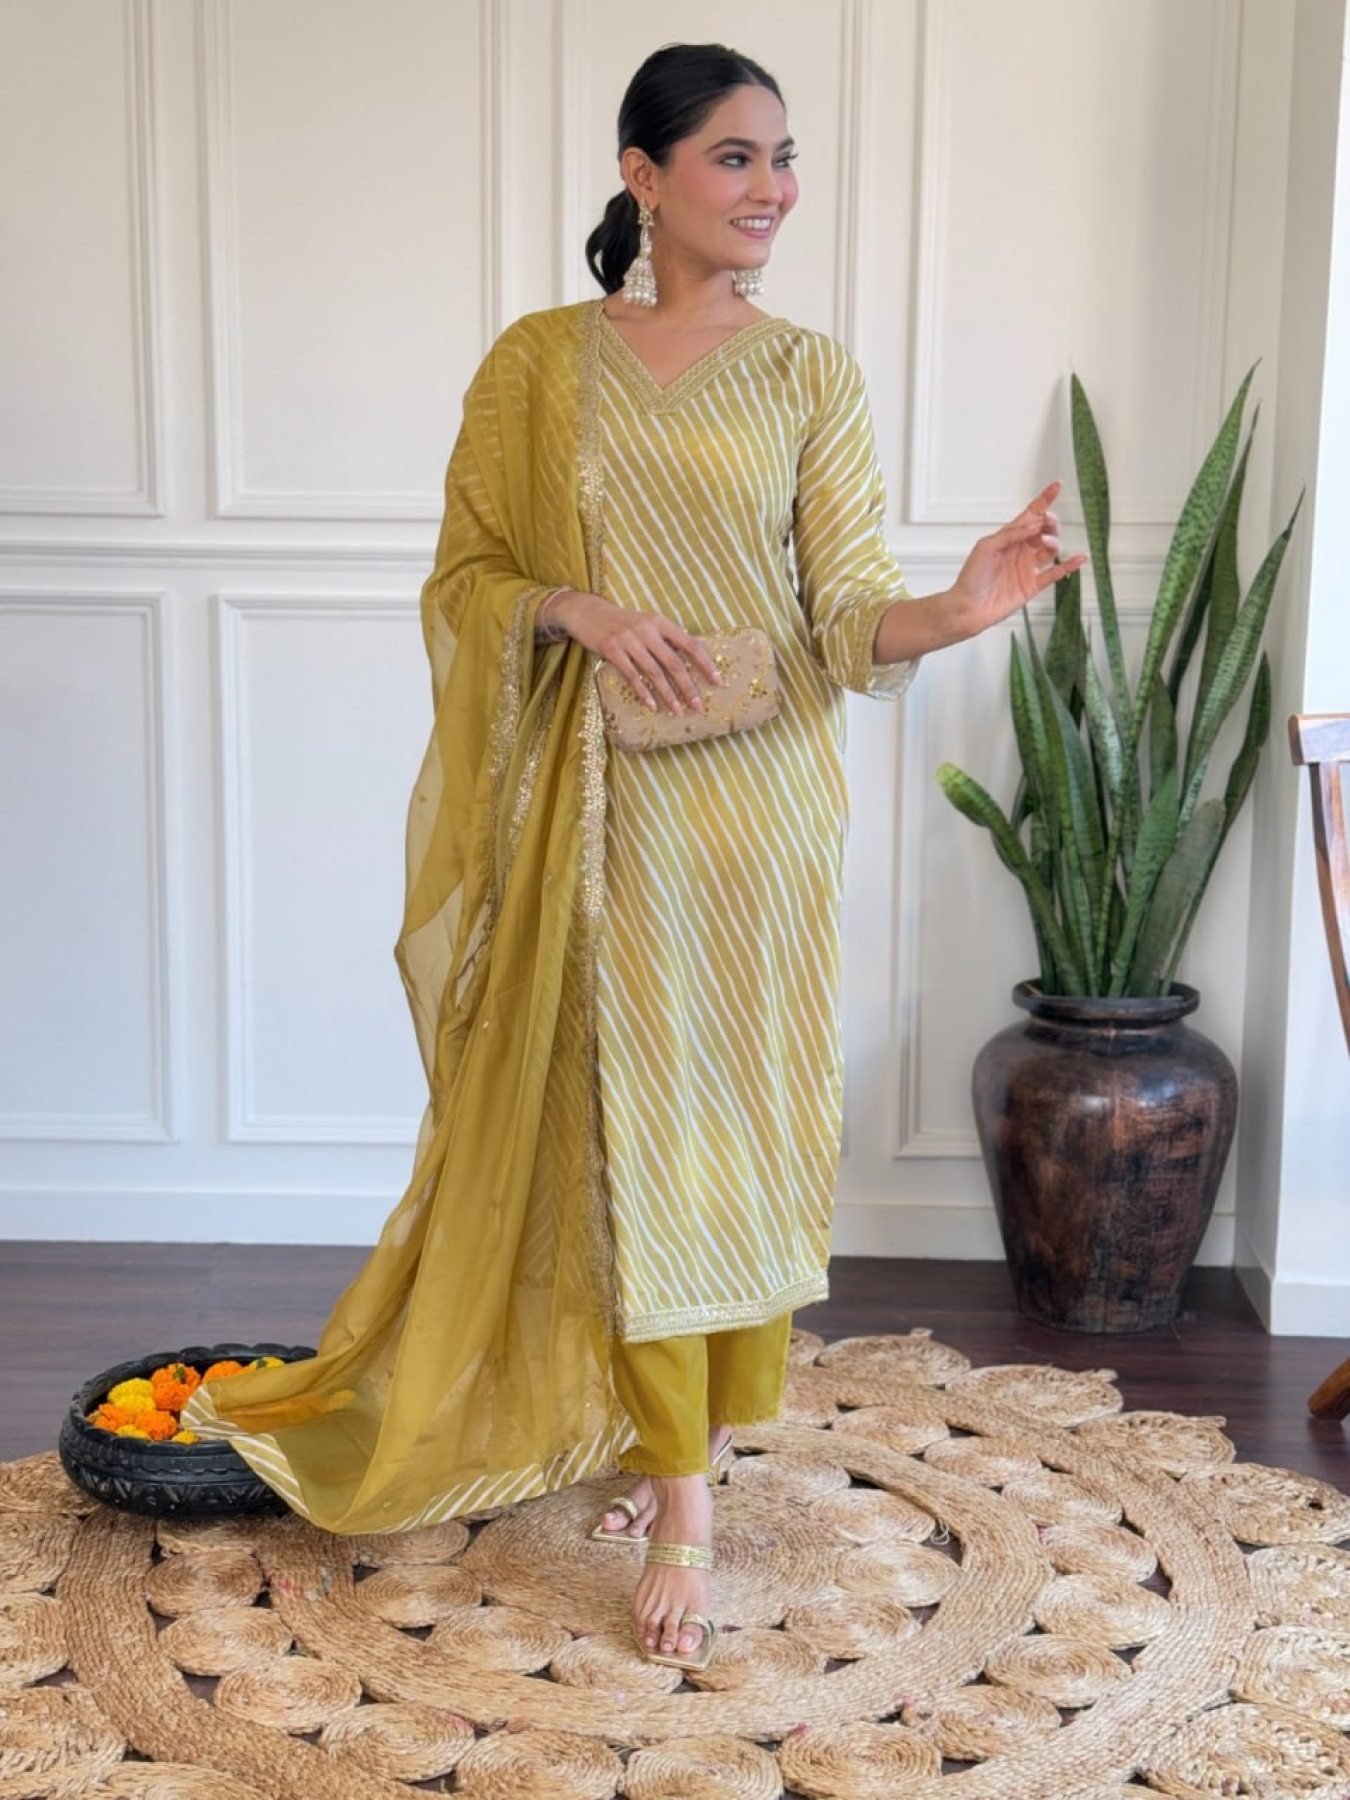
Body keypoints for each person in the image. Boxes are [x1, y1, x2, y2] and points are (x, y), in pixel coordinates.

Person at [180, 41, 1085, 1675]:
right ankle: (675, 1493)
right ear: (641, 174)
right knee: (631, 1131)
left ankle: (688, 1437)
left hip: (758, 816)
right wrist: (575, 608)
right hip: (597, 814)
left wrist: (961, 606)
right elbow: (466, 574)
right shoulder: (538, 364)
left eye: (783, 158)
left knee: (733, 1131)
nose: (772, 189)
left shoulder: (808, 374)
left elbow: (839, 619)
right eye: (735, 157)